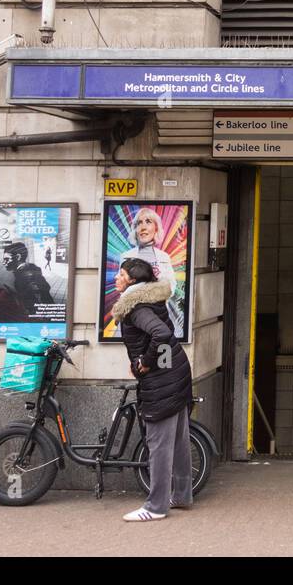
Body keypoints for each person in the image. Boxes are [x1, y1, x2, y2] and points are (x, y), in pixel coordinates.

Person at [110, 257, 194, 521]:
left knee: (158, 443)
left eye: (121, 275)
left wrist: (144, 363)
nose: (116, 278)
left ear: (133, 281)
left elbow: (162, 335)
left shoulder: (136, 308)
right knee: (179, 440)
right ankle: (181, 495)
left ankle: (156, 507)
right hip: (175, 373)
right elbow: (163, 337)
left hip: (162, 381)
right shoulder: (151, 299)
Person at [120, 207, 182, 336]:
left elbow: (171, 286)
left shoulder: (164, 257)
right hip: (133, 315)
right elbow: (122, 287)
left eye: (148, 222)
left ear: (156, 228)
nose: (143, 227)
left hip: (158, 313)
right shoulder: (126, 256)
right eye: (139, 223)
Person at [2, 242, 52, 314]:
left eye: (6, 259)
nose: (4, 263)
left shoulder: (26, 275)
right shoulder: (31, 268)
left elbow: (37, 299)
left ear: (18, 257)